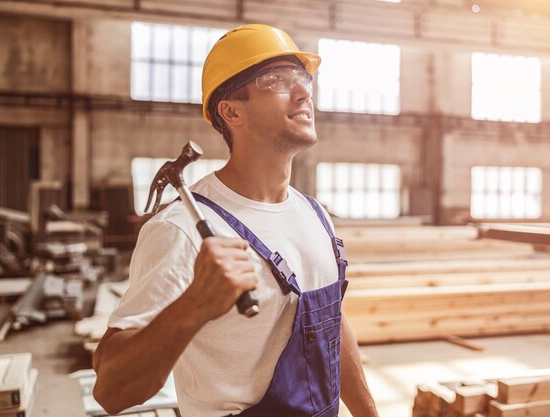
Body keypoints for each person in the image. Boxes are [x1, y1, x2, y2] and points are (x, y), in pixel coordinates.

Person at [92, 23, 378, 417]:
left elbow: (331, 326)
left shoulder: (316, 216)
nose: (303, 92)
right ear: (230, 111)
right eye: (276, 80)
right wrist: (194, 305)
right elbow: (111, 391)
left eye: (302, 78)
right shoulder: (180, 231)